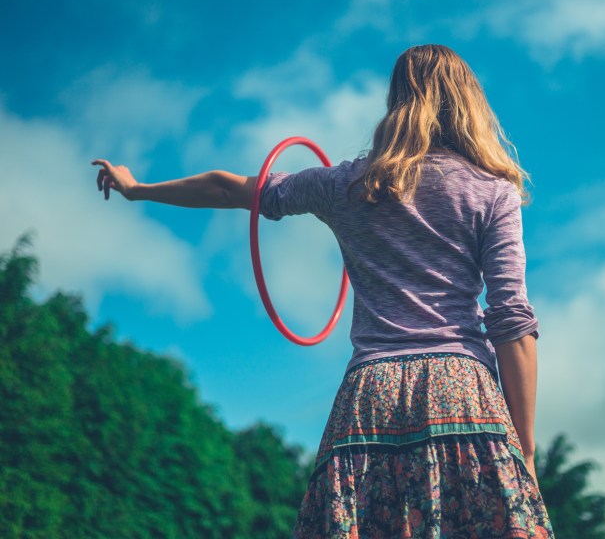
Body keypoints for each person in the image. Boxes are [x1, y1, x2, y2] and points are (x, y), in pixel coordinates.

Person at [93, 44, 555, 538]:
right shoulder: (493, 190)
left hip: (369, 395)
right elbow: (510, 318)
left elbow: (230, 189)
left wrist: (137, 188)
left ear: (397, 100)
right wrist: (524, 449)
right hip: (462, 391)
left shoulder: (346, 184)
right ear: (468, 101)